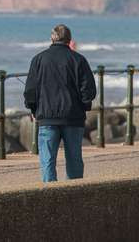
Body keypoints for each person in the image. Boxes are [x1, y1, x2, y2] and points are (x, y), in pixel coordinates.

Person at [23, 24, 96, 182]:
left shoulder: (38, 59)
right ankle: (74, 194)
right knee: (74, 160)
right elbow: (89, 90)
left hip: (47, 117)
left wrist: (33, 109)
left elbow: (30, 90)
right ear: (69, 40)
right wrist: (84, 106)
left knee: (48, 161)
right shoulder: (78, 60)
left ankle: (50, 196)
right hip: (73, 117)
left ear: (52, 38)